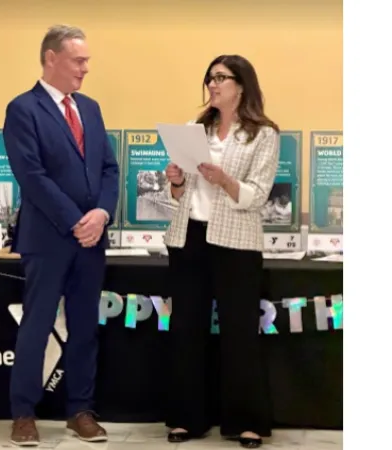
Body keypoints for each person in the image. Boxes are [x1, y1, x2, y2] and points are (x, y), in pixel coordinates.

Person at [2, 25, 119, 446]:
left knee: (86, 325)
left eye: (86, 60)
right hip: (49, 239)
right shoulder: (23, 109)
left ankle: (80, 410)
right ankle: (23, 413)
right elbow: (31, 176)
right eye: (78, 60)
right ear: (51, 58)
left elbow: (109, 168)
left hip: (91, 239)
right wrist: (77, 221)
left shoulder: (90, 108)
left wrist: (102, 214)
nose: (86, 69)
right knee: (36, 325)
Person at [162, 54, 280, 449]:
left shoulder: (262, 134)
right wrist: (176, 182)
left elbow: (258, 196)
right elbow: (180, 196)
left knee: (239, 334)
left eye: (221, 78)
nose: (213, 85)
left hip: (236, 244)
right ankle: (186, 419)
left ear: (241, 86)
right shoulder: (197, 129)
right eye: (210, 78)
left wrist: (225, 180)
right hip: (189, 239)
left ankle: (246, 423)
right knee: (186, 331)